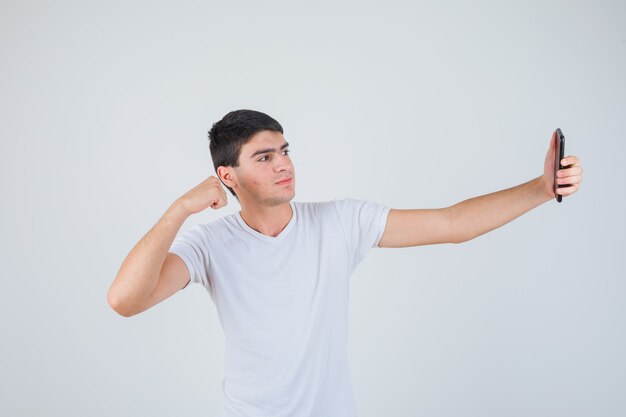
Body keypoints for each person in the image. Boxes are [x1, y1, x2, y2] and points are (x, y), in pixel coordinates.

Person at [107, 109, 584, 416]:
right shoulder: (211, 244)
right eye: (265, 156)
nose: (284, 165)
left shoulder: (339, 222)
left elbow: (452, 224)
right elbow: (125, 301)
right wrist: (179, 209)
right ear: (226, 176)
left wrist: (541, 189)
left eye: (285, 151)